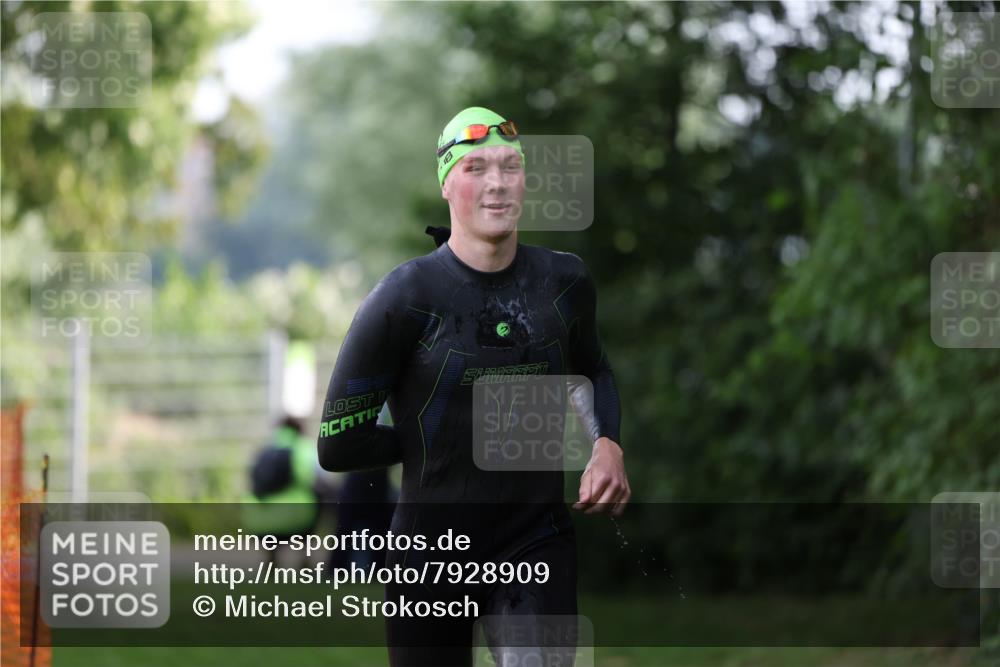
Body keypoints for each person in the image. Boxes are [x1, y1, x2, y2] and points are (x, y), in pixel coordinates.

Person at [317, 106, 629, 666]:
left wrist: (607, 444)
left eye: (511, 167)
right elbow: (337, 444)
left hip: (535, 538)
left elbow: (594, 370)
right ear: (447, 183)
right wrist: (440, 434)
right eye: (476, 167)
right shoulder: (405, 297)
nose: (497, 183)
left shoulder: (563, 283)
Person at [243, 416, 320, 566]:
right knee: (318, 497)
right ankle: (305, 558)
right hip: (296, 519)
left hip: (258, 521)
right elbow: (313, 478)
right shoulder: (303, 447)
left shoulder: (264, 449)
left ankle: (271, 556)